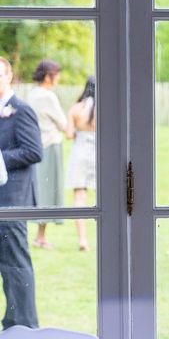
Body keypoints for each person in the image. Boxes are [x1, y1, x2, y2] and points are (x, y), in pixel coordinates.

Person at [0, 56, 43, 329]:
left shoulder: (22, 110)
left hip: (13, 201)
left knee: (15, 267)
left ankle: (23, 327)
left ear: (9, 76)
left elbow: (34, 151)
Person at [28, 59, 67, 249]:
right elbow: (63, 124)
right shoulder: (47, 96)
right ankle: (40, 237)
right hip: (50, 145)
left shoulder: (32, 94)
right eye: (56, 74)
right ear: (48, 76)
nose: (58, 78)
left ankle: (40, 236)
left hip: (36, 147)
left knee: (41, 190)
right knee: (47, 190)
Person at [66, 76, 96, 251]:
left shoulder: (76, 109)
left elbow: (69, 134)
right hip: (99, 154)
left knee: (79, 197)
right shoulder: (105, 109)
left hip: (80, 152)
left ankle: (83, 240)